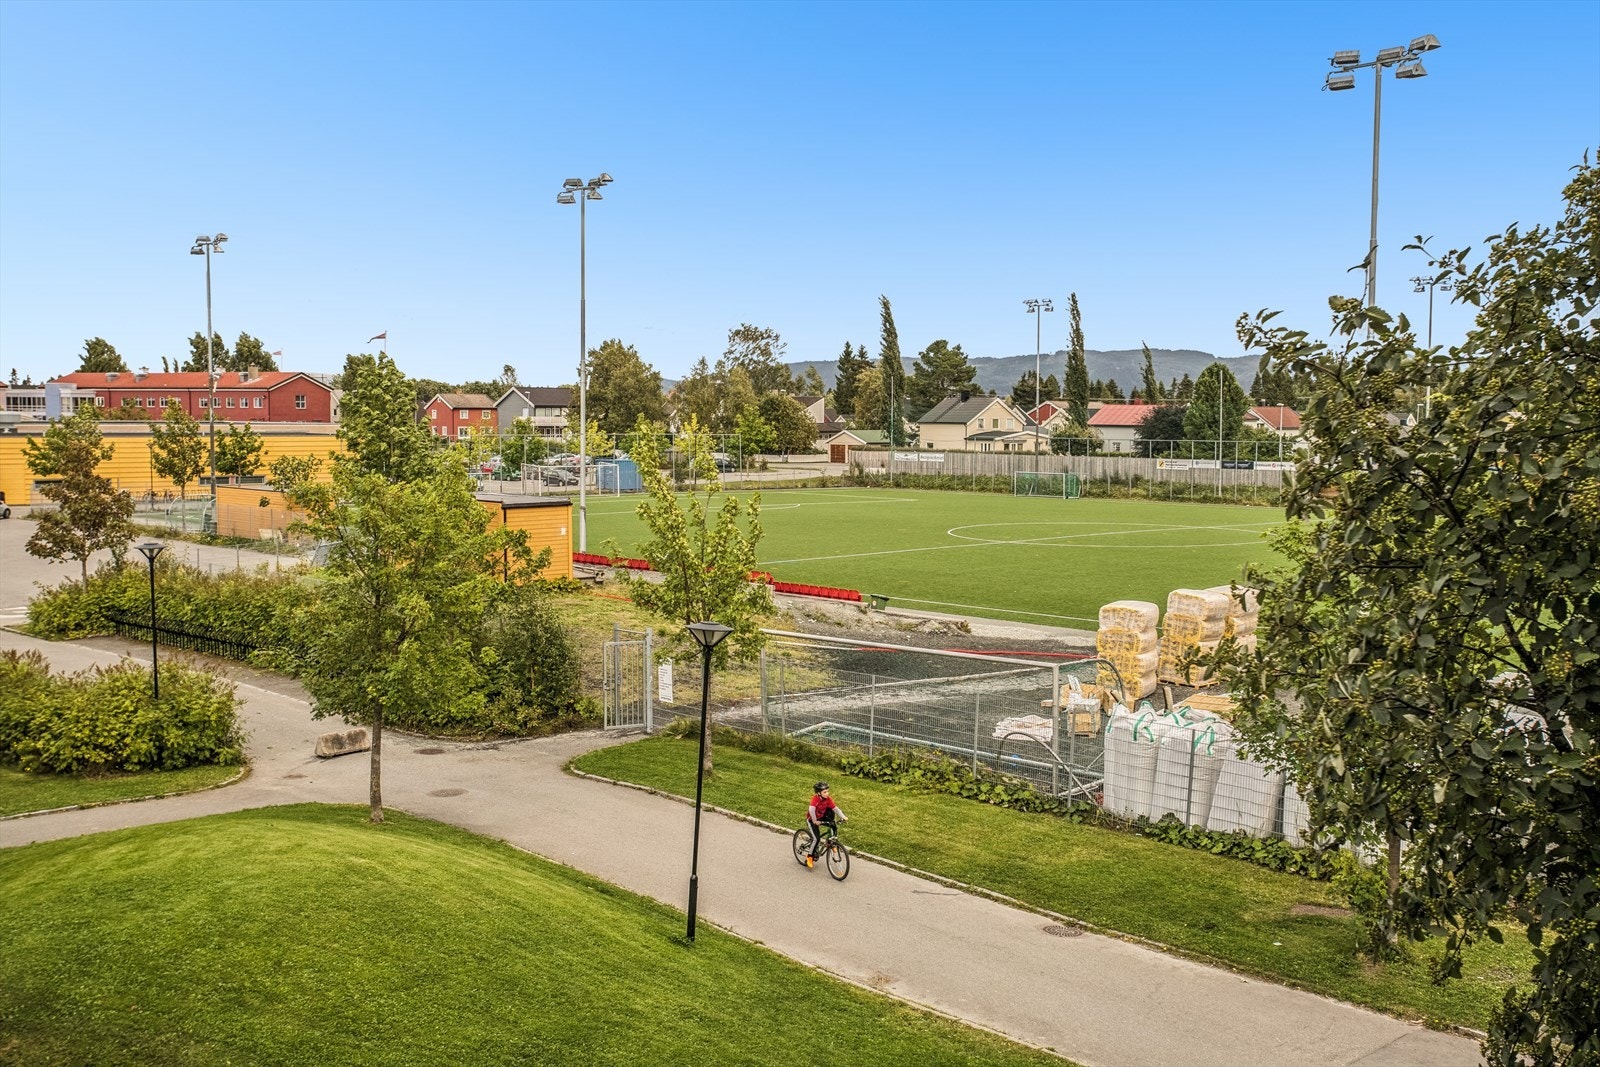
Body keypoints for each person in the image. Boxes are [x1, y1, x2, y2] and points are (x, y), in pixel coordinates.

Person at [804, 781, 846, 868]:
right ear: (819, 793)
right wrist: (815, 821)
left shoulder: (828, 799)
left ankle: (831, 841)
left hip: (821, 818)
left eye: (827, 791)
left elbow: (835, 809)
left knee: (833, 824)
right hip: (812, 819)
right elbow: (811, 810)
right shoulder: (815, 799)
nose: (827, 793)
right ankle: (809, 857)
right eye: (825, 792)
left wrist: (843, 817)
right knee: (816, 839)